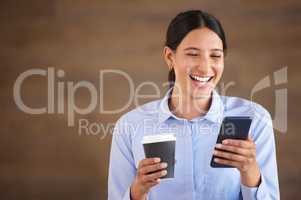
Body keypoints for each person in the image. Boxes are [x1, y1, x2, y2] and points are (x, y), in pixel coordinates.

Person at [108, 10, 280, 200]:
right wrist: (137, 193)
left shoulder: (255, 119)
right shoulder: (130, 126)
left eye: (215, 56)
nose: (205, 67)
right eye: (192, 54)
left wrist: (250, 173)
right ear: (169, 57)